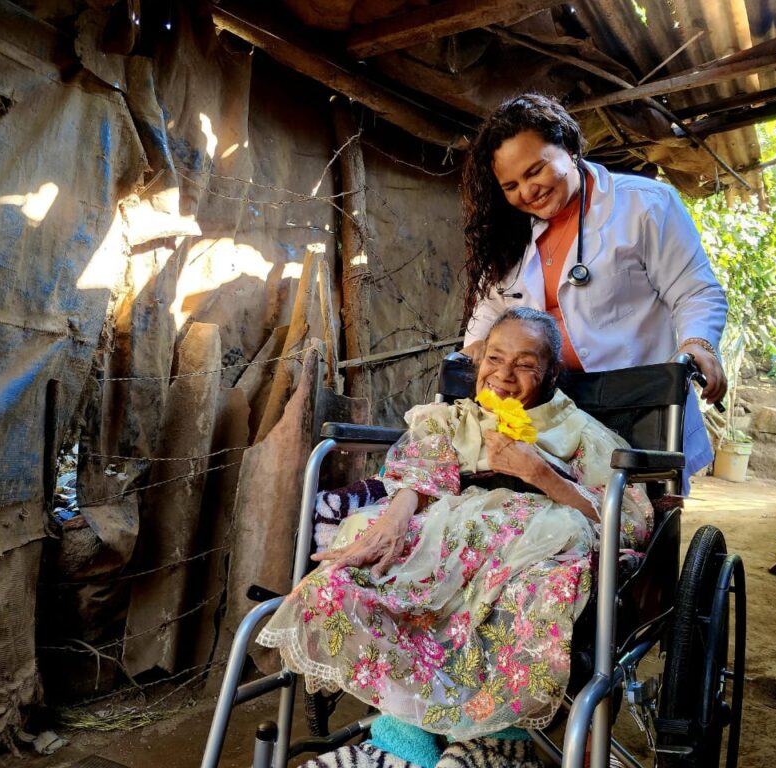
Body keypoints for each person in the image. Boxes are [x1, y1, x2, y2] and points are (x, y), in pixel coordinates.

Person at [257, 308, 652, 751]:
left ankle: (493, 738)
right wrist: (391, 523)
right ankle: (409, 731)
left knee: (538, 588)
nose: (503, 376)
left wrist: (541, 474)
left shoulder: (579, 432)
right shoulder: (451, 421)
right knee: (340, 583)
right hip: (449, 536)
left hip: (539, 539)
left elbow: (627, 522)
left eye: (524, 364)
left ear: (551, 374)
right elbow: (417, 478)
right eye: (494, 358)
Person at [461, 93, 728, 491]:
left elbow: (694, 289)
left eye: (536, 171)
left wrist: (698, 343)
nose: (528, 192)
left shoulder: (644, 205)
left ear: (569, 146)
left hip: (635, 406)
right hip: (546, 408)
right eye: (511, 185)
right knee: (546, 506)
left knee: (631, 512)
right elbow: (493, 303)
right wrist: (474, 347)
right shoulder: (511, 230)